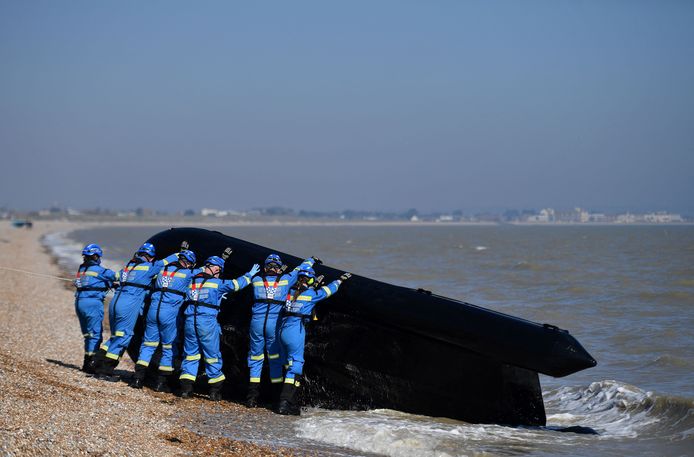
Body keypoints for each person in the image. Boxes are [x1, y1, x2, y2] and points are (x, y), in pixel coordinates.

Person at [178, 256, 260, 401]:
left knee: (190, 354)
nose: (218, 273)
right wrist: (249, 275)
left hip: (190, 320)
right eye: (218, 270)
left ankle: (186, 389)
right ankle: (215, 391)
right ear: (216, 269)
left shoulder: (192, 282)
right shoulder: (216, 283)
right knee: (212, 355)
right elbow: (236, 285)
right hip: (207, 322)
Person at [94, 242, 180, 380]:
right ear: (151, 257)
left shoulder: (128, 267)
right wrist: (178, 254)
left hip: (115, 301)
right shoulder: (149, 267)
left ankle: (97, 362)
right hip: (128, 304)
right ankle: (105, 371)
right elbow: (164, 262)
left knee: (115, 335)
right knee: (124, 336)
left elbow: (115, 276)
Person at [245, 253, 317, 408]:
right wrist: (311, 260)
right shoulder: (285, 280)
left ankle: (252, 397)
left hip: (256, 323)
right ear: (278, 269)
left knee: (255, 358)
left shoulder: (256, 280)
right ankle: (275, 393)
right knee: (275, 358)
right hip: (274, 323)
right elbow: (300, 269)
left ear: (265, 268)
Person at [277, 267, 351, 415]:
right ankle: (284, 403)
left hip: (282, 330)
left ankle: (289, 401)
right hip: (295, 331)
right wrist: (339, 280)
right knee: (296, 366)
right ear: (310, 280)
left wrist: (313, 285)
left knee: (287, 364)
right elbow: (327, 291)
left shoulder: (288, 292)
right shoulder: (310, 294)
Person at [130, 249, 200, 391]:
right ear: (189, 263)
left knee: (148, 344)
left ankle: (137, 379)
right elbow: (202, 273)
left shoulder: (162, 269)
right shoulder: (187, 273)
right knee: (168, 347)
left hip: (153, 311)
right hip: (169, 314)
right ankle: (161, 383)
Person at [74, 243, 117, 373]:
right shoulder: (100, 270)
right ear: (96, 256)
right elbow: (116, 276)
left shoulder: (81, 268)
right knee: (96, 335)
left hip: (79, 302)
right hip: (92, 303)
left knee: (88, 334)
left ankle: (86, 363)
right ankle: (91, 365)